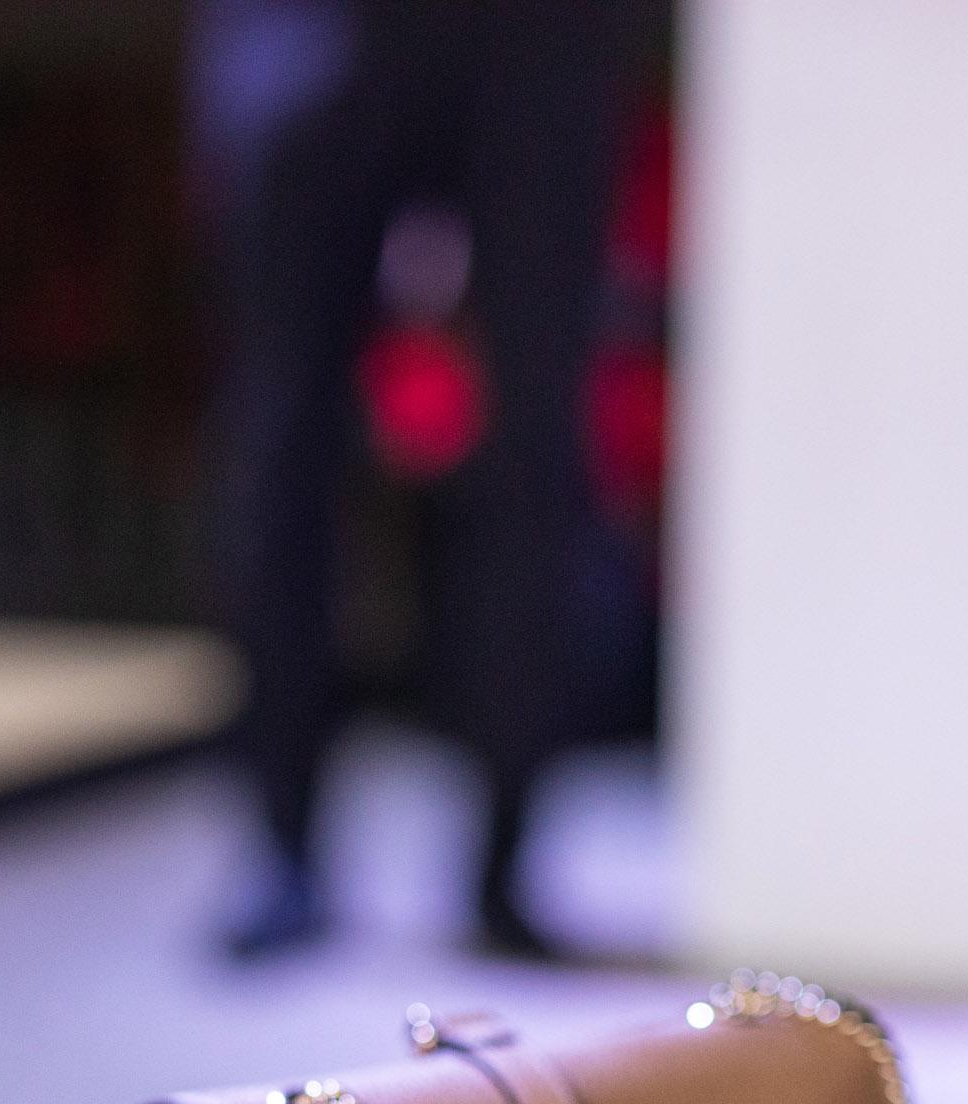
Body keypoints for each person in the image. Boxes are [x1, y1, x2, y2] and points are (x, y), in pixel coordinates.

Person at [188, 0, 638, 960]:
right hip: (315, 26)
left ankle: (508, 855)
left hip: (534, 34)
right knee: (285, 430)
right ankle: (279, 843)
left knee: (538, 434)